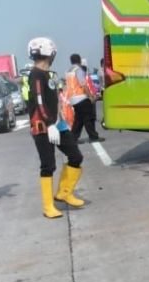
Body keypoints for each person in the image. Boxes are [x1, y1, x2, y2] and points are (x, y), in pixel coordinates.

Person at [27, 37, 86, 219]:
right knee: (48, 165)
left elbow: (54, 101)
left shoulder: (48, 74)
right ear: (49, 53)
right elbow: (39, 102)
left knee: (76, 156)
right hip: (42, 127)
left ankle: (64, 192)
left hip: (57, 125)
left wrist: (60, 121)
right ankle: (48, 207)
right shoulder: (36, 74)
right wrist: (50, 123)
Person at [66, 53, 103, 143]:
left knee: (78, 120)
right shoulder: (78, 70)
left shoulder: (68, 71)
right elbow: (83, 84)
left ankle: (73, 138)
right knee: (88, 117)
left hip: (73, 98)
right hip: (81, 97)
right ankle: (93, 137)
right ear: (79, 61)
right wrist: (91, 96)